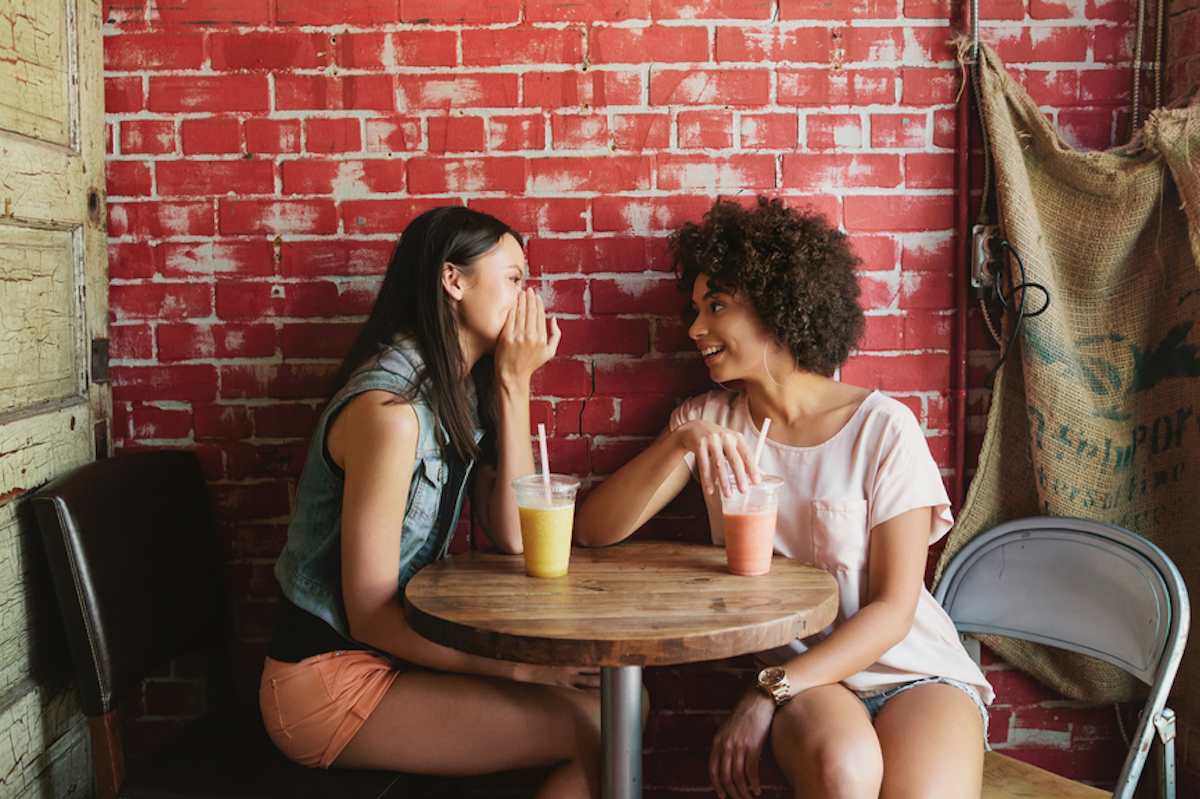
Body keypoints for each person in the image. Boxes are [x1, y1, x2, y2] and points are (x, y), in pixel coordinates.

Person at [575, 197, 993, 799]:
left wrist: (765, 691)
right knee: (844, 773)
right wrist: (680, 444)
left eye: (716, 306)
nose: (695, 329)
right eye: (695, 309)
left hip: (913, 669)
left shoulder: (883, 428)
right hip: (811, 687)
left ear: (778, 308)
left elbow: (894, 610)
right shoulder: (709, 422)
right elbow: (594, 530)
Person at [259, 206, 602, 798]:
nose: (529, 296)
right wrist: (519, 668)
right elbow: (368, 615)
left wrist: (514, 384)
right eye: (515, 278)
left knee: (621, 705)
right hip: (328, 683)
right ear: (453, 280)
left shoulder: (460, 391)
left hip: (391, 661)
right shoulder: (390, 417)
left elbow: (514, 536)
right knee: (598, 728)